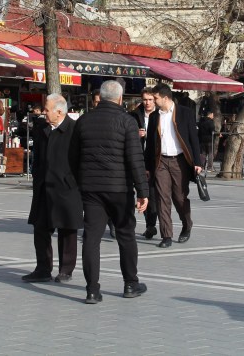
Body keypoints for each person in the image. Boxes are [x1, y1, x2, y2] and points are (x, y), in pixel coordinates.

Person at [73, 80, 149, 304]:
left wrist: (80, 182)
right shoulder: (127, 121)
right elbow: (135, 159)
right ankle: (130, 283)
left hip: (91, 189)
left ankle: (92, 290)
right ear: (120, 98)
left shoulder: (84, 121)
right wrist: (142, 191)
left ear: (101, 97)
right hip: (119, 188)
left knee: (91, 238)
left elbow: (73, 156)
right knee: (126, 235)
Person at [22, 94, 81, 284]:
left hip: (66, 188)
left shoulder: (74, 129)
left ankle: (66, 270)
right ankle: (42, 268)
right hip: (43, 187)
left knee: (67, 230)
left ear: (59, 112)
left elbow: (81, 160)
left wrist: (72, 181)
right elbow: (38, 157)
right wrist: (37, 177)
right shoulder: (42, 128)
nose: (43, 112)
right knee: (40, 229)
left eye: (46, 110)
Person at [144, 83, 202, 248]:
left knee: (179, 197)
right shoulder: (154, 117)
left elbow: (193, 138)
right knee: (162, 198)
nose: (153, 101)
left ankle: (187, 224)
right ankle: (166, 235)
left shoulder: (185, 113)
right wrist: (147, 166)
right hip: (160, 162)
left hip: (180, 161)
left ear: (165, 98)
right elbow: (150, 145)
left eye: (155, 98)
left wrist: (197, 162)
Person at [130, 89, 159, 240]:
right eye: (145, 99)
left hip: (155, 159)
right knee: (143, 192)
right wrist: (136, 134)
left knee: (152, 193)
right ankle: (149, 225)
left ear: (155, 100)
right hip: (139, 158)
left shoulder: (160, 115)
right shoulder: (134, 115)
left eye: (150, 100)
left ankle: (151, 225)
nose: (147, 103)